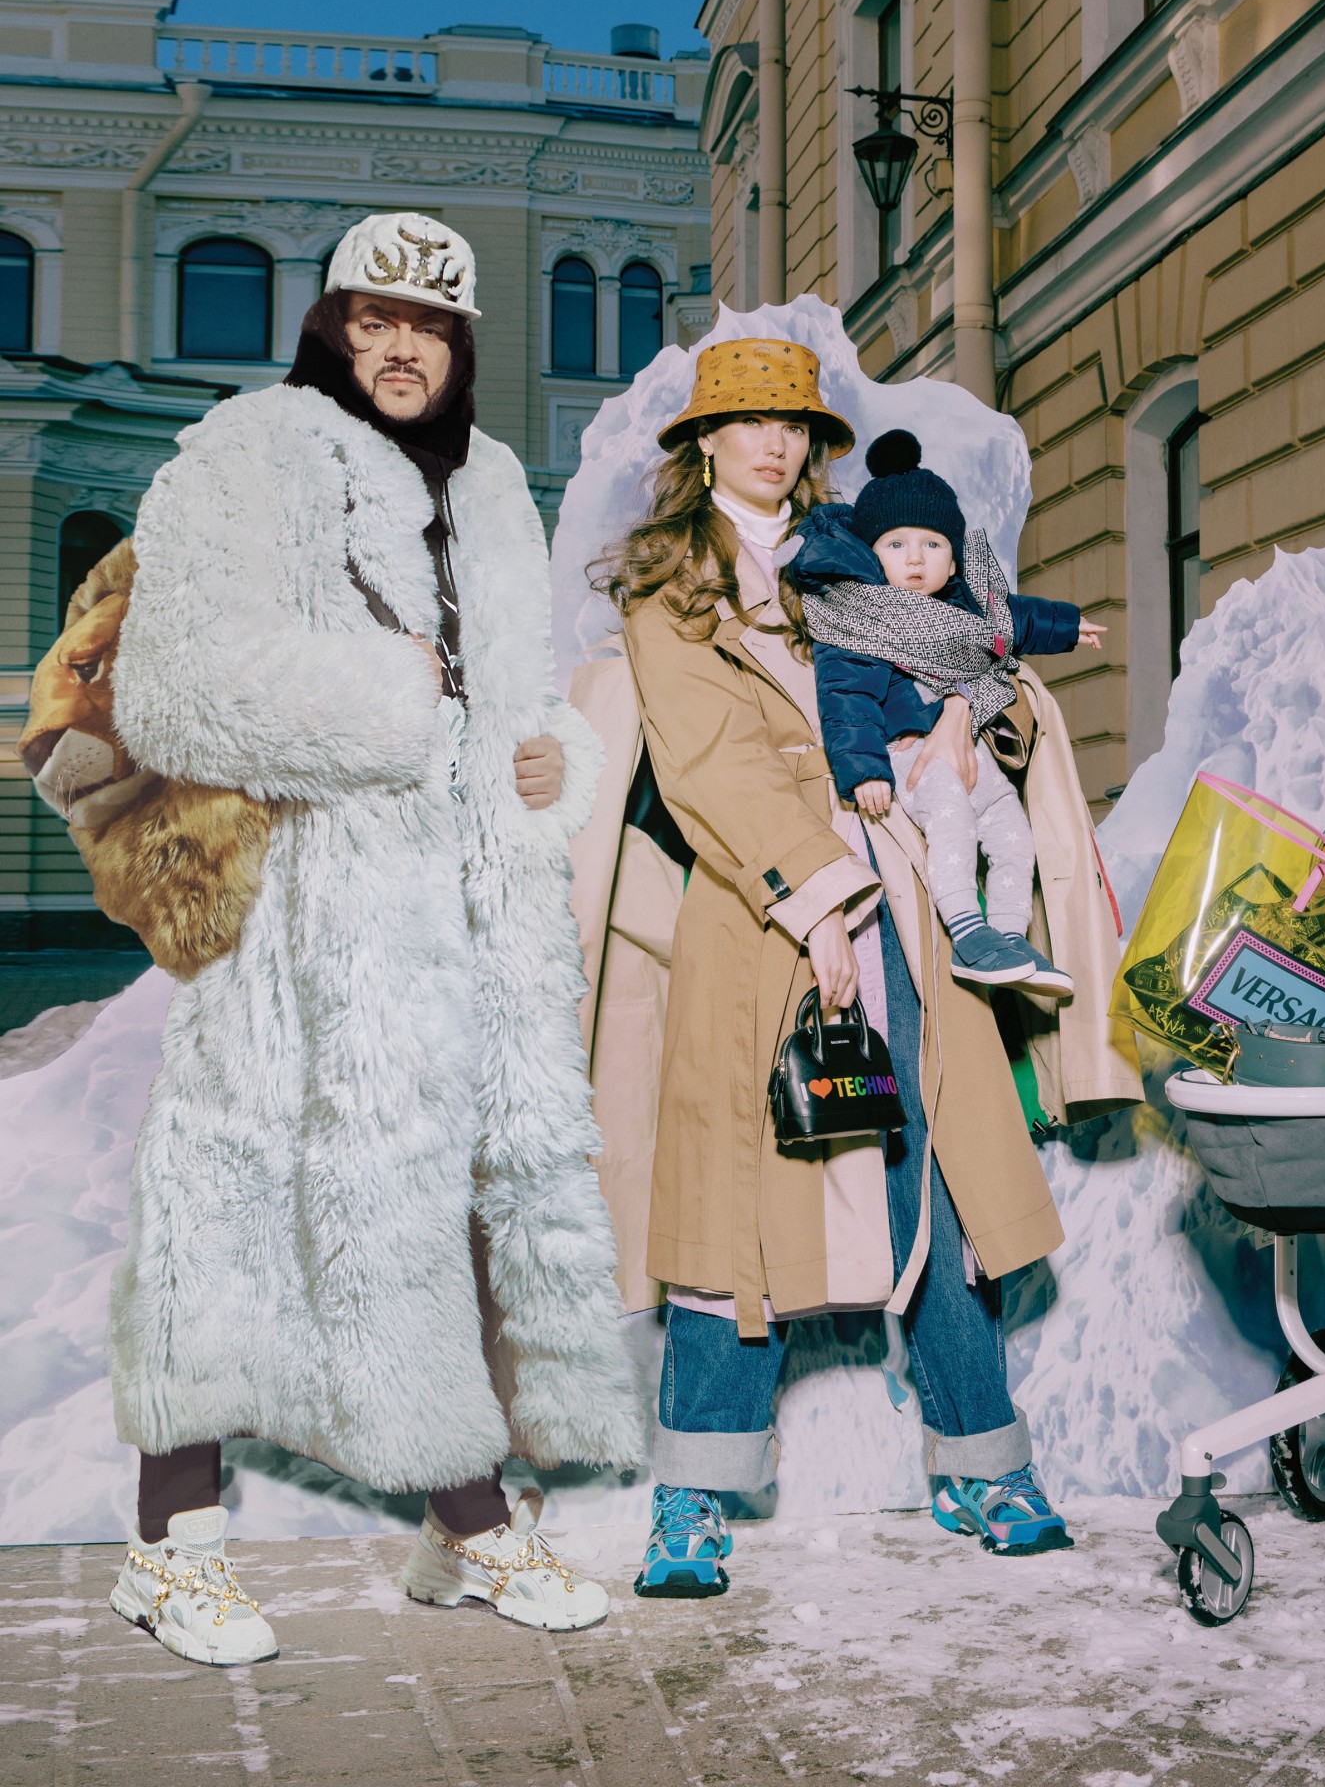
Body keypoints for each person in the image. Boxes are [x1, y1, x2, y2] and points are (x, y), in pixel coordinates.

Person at [103, 212, 638, 1665]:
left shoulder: (494, 481)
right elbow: (172, 690)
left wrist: (550, 762)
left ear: (462, 344)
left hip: (472, 913)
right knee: (229, 1215)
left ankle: (459, 1526)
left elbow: (500, 697)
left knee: (456, 1212)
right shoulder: (250, 450)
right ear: (332, 326)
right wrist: (381, 695)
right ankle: (170, 1546)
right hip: (304, 918)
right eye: (375, 320)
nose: (403, 349)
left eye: (432, 327)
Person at [588, 337, 1128, 1601]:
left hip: (913, 894)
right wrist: (816, 898)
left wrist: (970, 719)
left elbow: (974, 661)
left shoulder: (859, 555)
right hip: (758, 912)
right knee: (735, 1199)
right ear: (702, 442)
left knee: (933, 1171)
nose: (774, 441)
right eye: (749, 420)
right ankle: (693, 1489)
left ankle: (983, 1461)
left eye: (794, 422)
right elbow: (707, 763)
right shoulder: (671, 587)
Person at [787, 429, 1106, 995]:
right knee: (952, 825)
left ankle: (1008, 936)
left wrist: (1068, 625)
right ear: (870, 553)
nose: (915, 558)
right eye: (896, 544)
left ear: (954, 558)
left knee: (1014, 836)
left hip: (974, 754)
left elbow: (1015, 618)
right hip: (910, 759)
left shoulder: (968, 607)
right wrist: (865, 772)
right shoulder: (858, 618)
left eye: (932, 545)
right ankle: (966, 930)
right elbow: (845, 700)